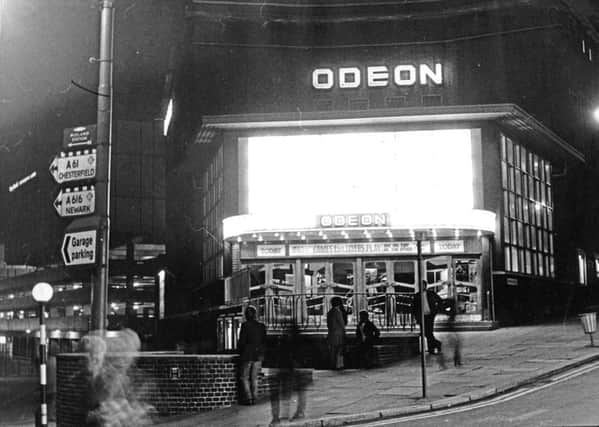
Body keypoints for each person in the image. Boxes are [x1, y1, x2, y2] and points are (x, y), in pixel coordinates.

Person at [270, 320, 306, 426]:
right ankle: (299, 412)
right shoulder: (299, 341)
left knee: (286, 393)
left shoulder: (287, 342)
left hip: (289, 369)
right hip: (294, 369)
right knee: (298, 392)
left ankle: (280, 417)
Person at [238, 305, 267, 405]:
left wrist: (240, 351)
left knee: (244, 377)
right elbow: (264, 342)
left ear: (246, 315)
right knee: (254, 378)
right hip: (258, 355)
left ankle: (249, 398)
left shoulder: (245, 326)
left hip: (247, 355)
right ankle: (255, 398)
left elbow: (241, 342)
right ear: (255, 315)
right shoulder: (262, 326)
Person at [412, 281, 444, 354]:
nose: (421, 287)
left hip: (430, 315)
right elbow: (414, 307)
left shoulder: (431, 294)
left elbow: (440, 301)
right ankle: (437, 344)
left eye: (423, 285)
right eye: (420, 285)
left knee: (429, 332)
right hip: (422, 316)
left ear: (425, 286)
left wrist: (436, 310)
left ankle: (431, 348)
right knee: (426, 333)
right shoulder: (417, 296)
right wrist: (416, 317)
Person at [327, 296, 347, 370]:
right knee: (339, 350)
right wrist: (344, 332)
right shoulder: (337, 312)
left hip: (331, 333)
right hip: (338, 334)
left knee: (332, 351)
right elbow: (342, 323)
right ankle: (338, 365)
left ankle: (333, 365)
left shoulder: (330, 312)